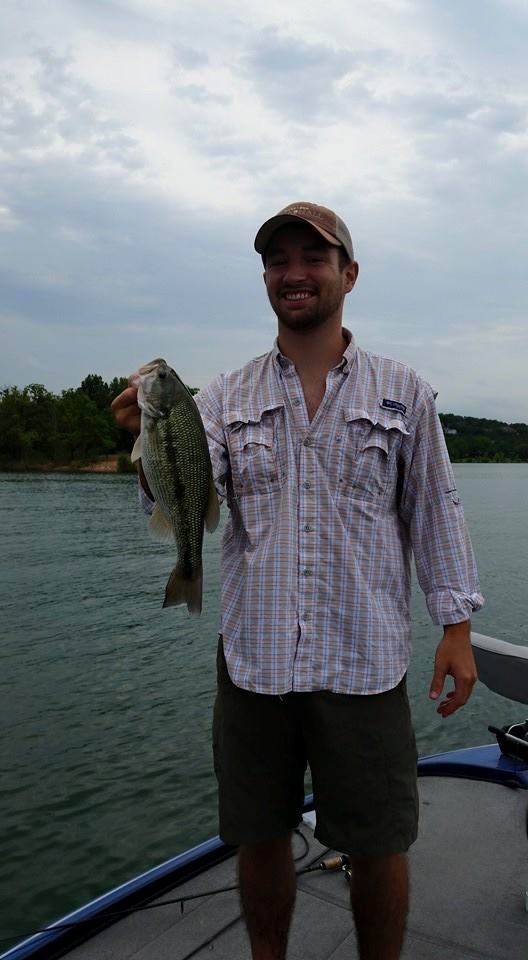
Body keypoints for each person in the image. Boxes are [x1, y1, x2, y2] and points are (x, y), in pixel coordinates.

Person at [112, 201, 483, 960]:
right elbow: (185, 492)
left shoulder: (402, 391)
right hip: (254, 664)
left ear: (348, 274)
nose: (294, 273)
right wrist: (148, 434)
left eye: (313, 258)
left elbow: (435, 509)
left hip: (365, 662)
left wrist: (455, 627)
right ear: (266, 281)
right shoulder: (217, 399)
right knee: (258, 838)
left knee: (380, 845)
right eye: (278, 261)